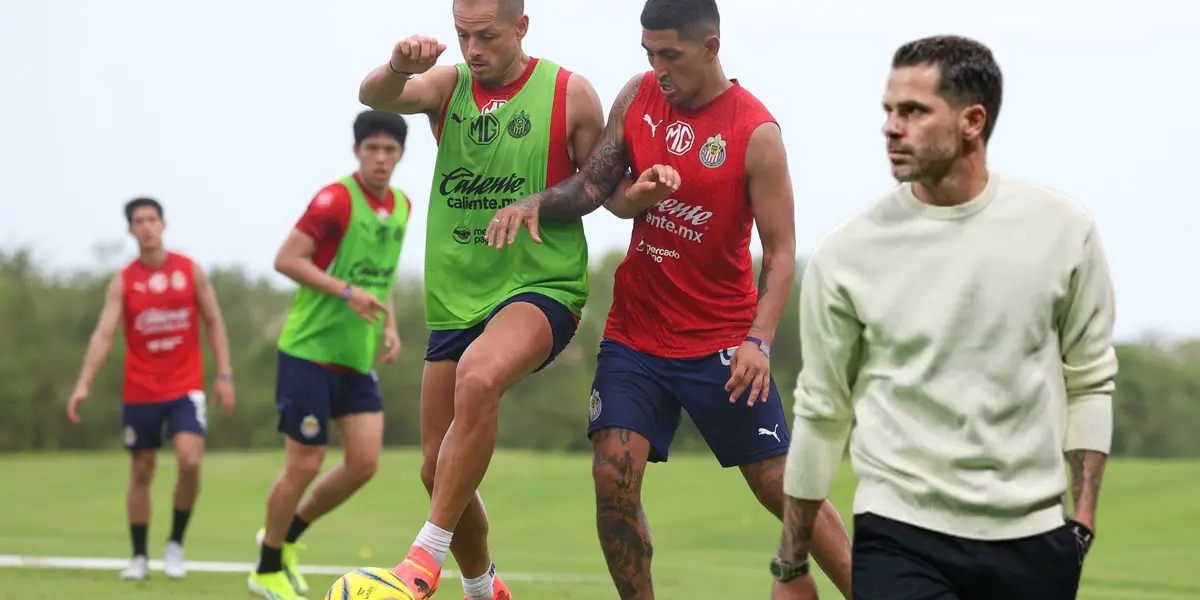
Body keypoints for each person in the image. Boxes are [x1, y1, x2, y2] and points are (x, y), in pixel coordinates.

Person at [484, 1, 854, 597]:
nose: (657, 69)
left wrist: (759, 342)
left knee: (779, 484)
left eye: (671, 56)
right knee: (613, 480)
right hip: (635, 337)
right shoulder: (638, 97)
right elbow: (596, 186)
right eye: (649, 54)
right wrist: (534, 202)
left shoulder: (755, 132)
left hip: (723, 343)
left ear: (711, 47)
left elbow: (781, 251)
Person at [772, 35, 1116, 600]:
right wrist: (791, 566)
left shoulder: (1062, 230)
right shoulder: (848, 253)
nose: (891, 127)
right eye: (888, 110)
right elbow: (822, 409)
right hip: (900, 531)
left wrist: (1081, 523)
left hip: (1034, 539)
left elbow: (1090, 381)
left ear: (972, 121)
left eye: (913, 111)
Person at [357, 0, 606, 597]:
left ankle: (423, 559)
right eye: (462, 35)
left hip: (541, 286)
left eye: (487, 36)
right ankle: (483, 587)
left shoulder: (571, 93)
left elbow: (599, 185)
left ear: (521, 27)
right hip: (455, 295)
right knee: (433, 468)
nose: (472, 49)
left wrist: (535, 205)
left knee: (478, 376)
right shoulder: (450, 86)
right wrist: (395, 65)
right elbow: (378, 97)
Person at [247, 110, 411, 600]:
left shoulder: (401, 205)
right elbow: (286, 259)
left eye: (390, 150)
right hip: (308, 352)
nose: (381, 159)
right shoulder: (335, 200)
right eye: (372, 150)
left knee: (364, 464)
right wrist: (346, 292)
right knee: (304, 463)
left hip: (356, 357)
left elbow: (381, 276)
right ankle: (266, 566)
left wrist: (390, 324)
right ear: (357, 152)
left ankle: (286, 536)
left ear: (401, 154)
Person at [67, 197, 236, 581]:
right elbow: (104, 333)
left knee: (190, 460)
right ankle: (139, 556)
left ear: (163, 224)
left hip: (185, 388)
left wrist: (224, 374)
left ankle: (175, 543)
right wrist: (83, 383)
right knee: (142, 469)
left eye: (152, 219)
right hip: (141, 389)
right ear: (130, 230)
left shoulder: (190, 271)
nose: (147, 227)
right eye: (139, 221)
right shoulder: (124, 280)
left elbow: (214, 322)